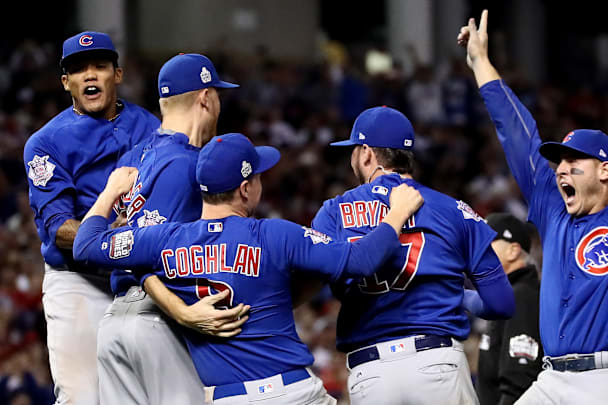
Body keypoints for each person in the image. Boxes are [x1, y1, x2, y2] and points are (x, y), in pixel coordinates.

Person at [73, 133, 425, 405]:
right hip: (294, 394)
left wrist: (110, 192)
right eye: (257, 176)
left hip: (229, 398)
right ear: (245, 189)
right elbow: (362, 260)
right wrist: (396, 214)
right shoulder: (275, 235)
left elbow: (85, 245)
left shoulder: (162, 241)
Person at [458, 11, 608, 404]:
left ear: (605, 170)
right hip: (551, 380)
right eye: (559, 162)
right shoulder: (554, 211)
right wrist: (481, 63)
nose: (561, 169)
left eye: (574, 161)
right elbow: (516, 134)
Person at [310, 106, 515, 405]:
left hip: (371, 370)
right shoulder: (452, 209)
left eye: (353, 150)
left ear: (366, 153)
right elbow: (501, 303)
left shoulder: (332, 212)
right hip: (437, 362)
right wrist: (458, 296)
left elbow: (317, 283)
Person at [97, 53, 249, 404]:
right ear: (205, 97)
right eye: (217, 94)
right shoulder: (186, 164)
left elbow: (118, 239)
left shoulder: (134, 158)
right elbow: (142, 256)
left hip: (116, 321)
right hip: (158, 319)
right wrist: (182, 311)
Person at [23, 31, 160, 404]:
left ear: (118, 74)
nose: (90, 75)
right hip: (80, 281)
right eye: (79, 69)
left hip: (140, 277)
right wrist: (108, 238)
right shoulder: (46, 142)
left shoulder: (152, 128)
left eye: (99, 66)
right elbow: (59, 228)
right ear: (65, 82)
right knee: (82, 397)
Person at [468, 213, 543, 405]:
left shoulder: (521, 296)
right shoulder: (505, 295)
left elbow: (518, 381)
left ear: (513, 251)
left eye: (487, 243)